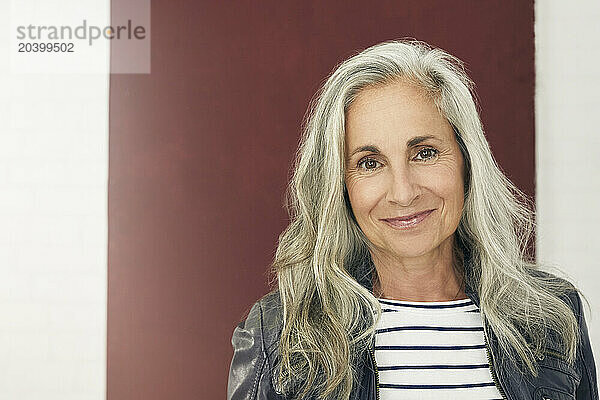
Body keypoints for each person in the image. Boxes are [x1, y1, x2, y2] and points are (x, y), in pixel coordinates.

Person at [226, 40, 598, 400]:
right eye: (369, 163)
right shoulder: (279, 336)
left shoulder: (551, 315)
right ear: (340, 186)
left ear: (466, 163)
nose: (403, 193)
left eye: (424, 153)